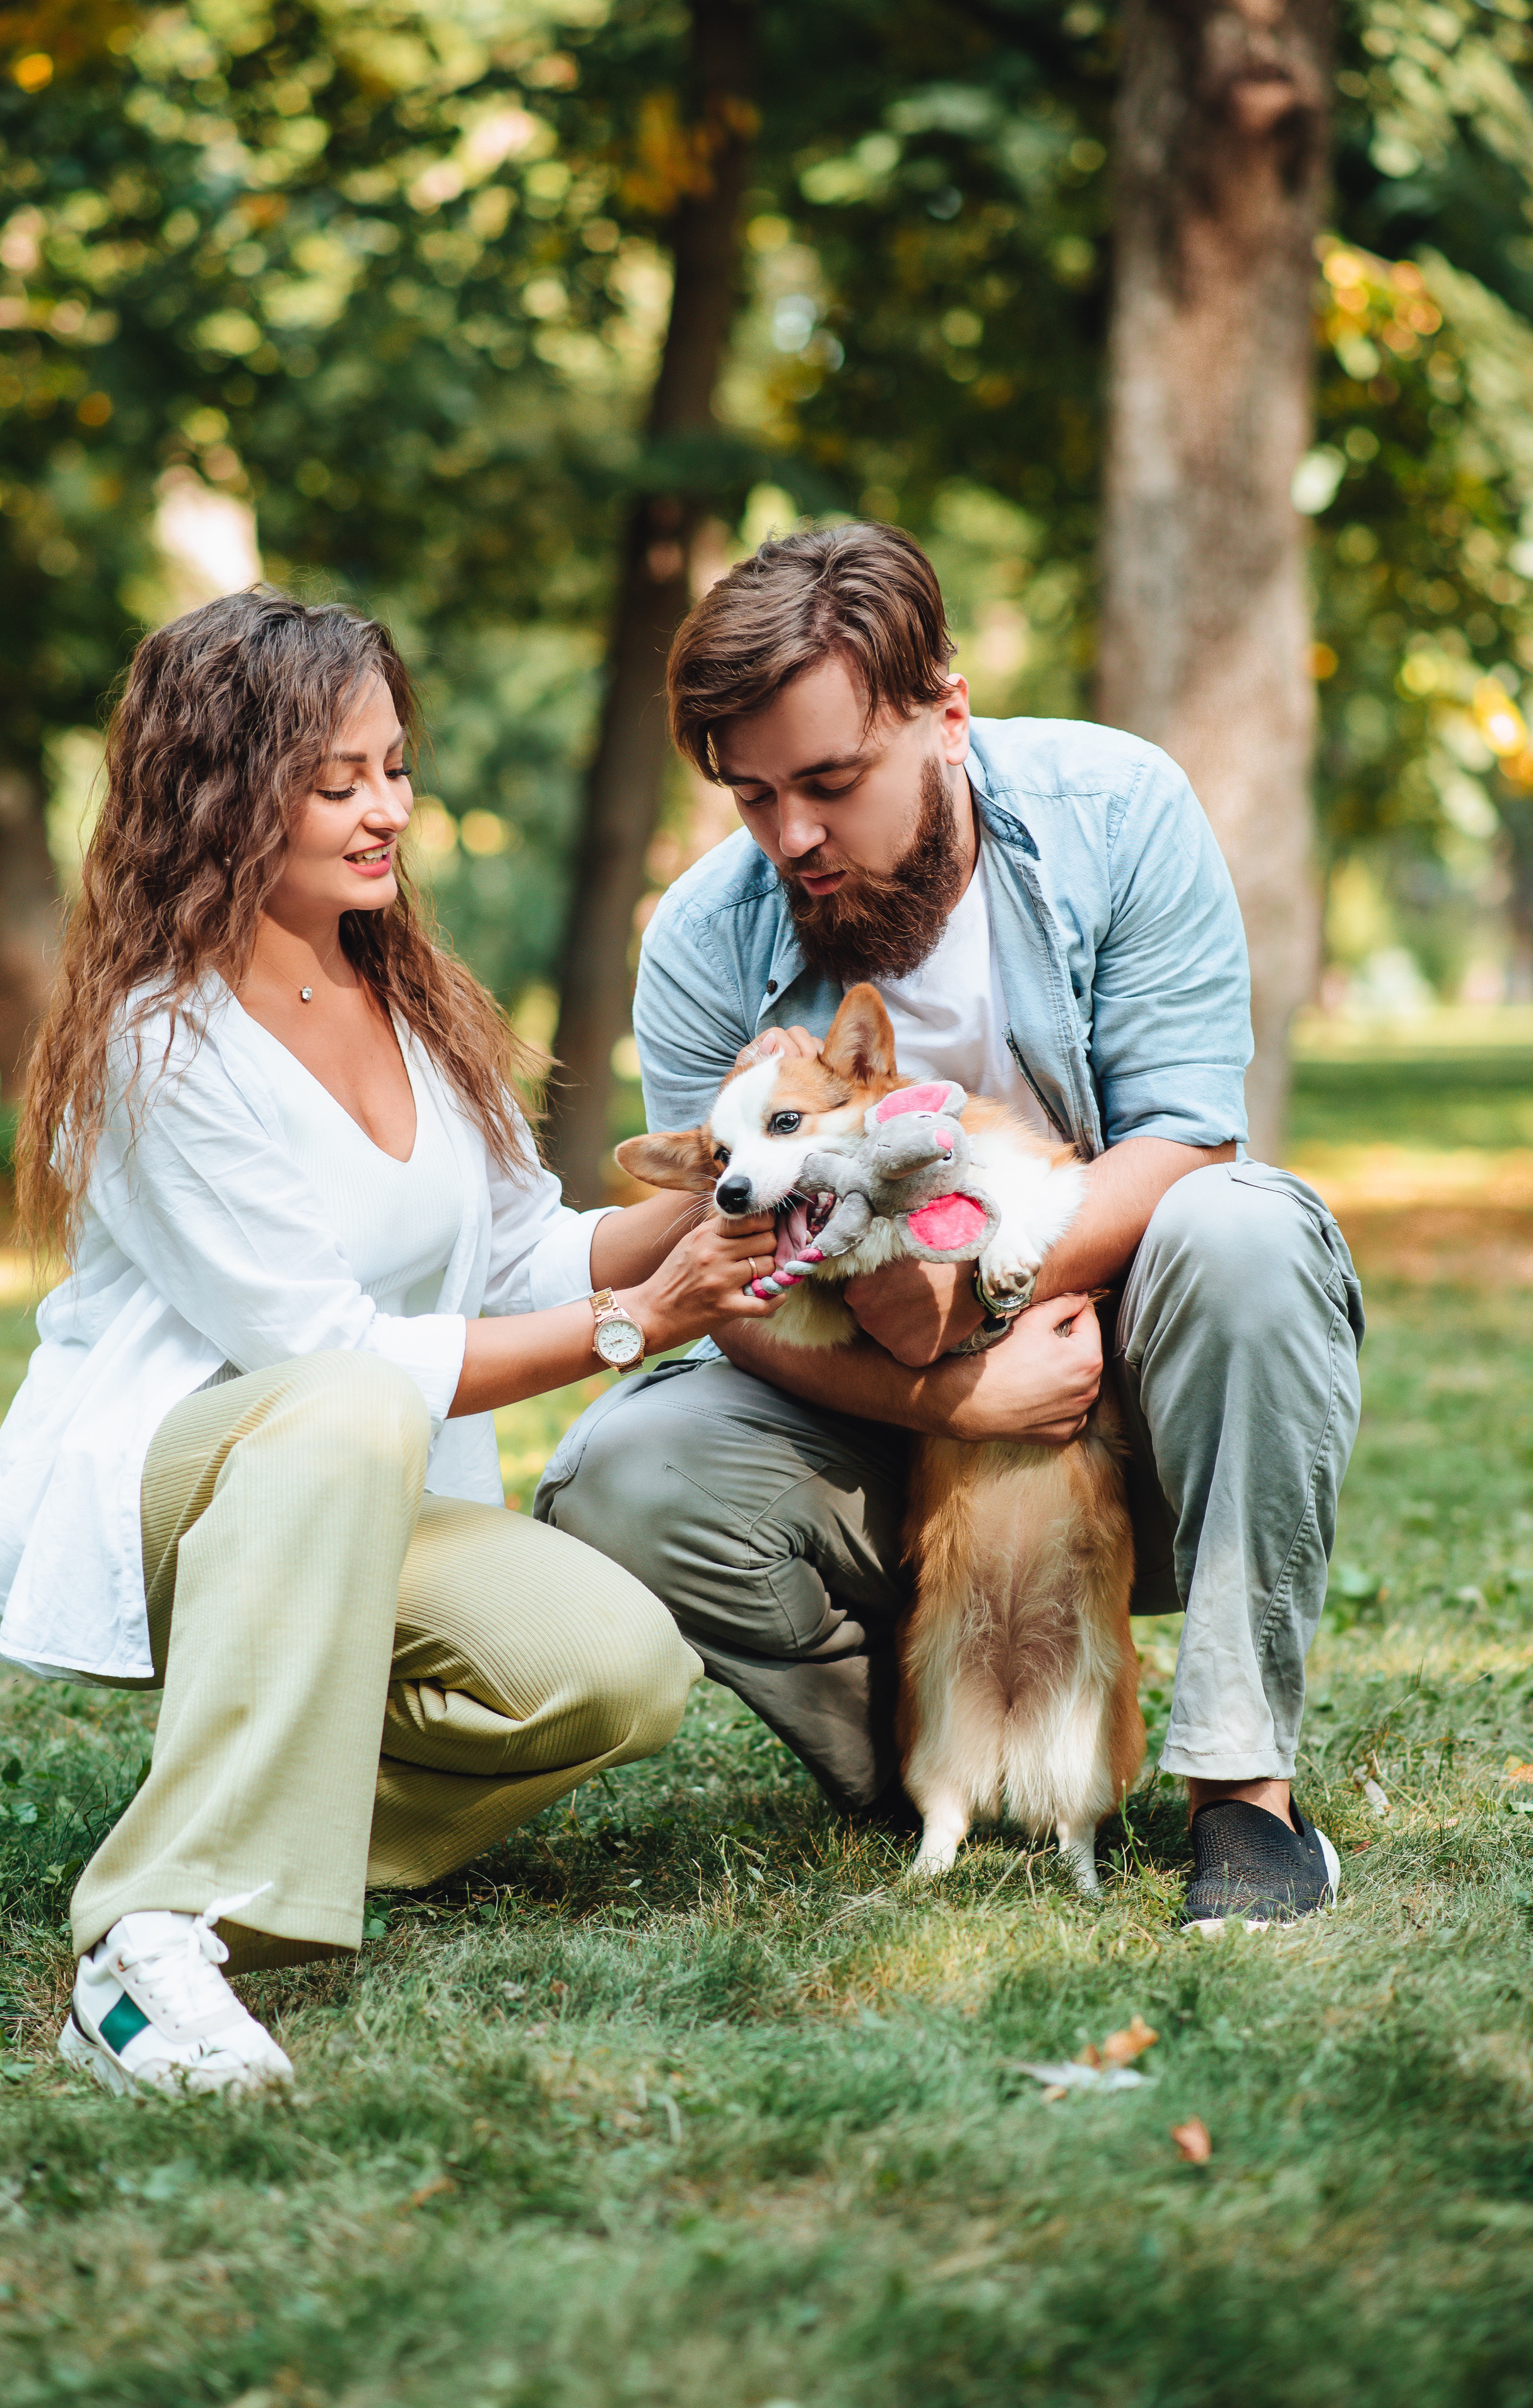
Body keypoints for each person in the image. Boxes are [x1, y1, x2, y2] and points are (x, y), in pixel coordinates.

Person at [0, 589, 781, 2098]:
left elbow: (524, 1244)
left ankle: (259, 1872)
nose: (387, 808)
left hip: (361, 1467)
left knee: (619, 1668)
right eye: (338, 782)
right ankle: (143, 1943)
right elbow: (329, 1352)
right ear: (224, 798)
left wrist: (719, 1170)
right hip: (193, 1480)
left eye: (393, 766)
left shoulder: (408, 990)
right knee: (345, 1400)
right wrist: (632, 1327)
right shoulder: (160, 1040)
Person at [537, 523, 1363, 1928]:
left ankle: (1240, 1796)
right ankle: (934, 1753)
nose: (791, 837)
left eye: (829, 782)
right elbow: (730, 1284)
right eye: (750, 799)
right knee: (620, 1470)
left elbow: (1185, 1132)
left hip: (1133, 1405)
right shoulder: (698, 936)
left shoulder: (1118, 807)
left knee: (1249, 1231)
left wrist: (984, 1301)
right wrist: (954, 1392)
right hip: (893, 1439)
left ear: (945, 714)